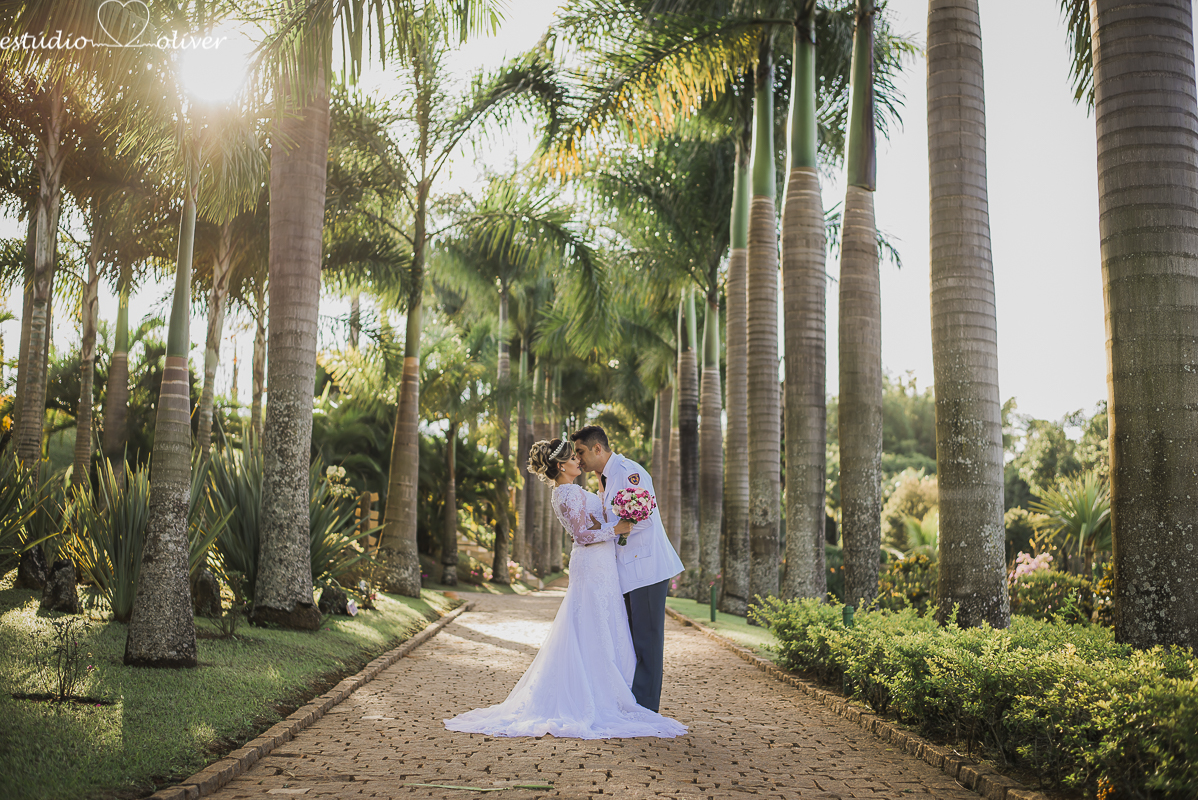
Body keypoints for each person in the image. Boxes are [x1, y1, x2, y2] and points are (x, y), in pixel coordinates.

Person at [443, 438, 686, 739]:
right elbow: (582, 535)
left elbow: (588, 526)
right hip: (592, 565)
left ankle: (613, 693)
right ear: (561, 466)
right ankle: (598, 696)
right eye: (573, 458)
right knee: (594, 625)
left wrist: (616, 516)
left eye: (578, 455)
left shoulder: (574, 489)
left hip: (602, 564)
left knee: (604, 625)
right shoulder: (567, 492)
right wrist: (617, 529)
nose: (578, 461)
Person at [571, 424, 684, 713]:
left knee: (647, 643)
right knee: (632, 642)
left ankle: (646, 710)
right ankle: (633, 704)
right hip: (626, 571)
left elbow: (644, 519)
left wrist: (610, 530)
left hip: (645, 568)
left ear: (597, 448)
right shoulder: (605, 478)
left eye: (580, 452)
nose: (578, 458)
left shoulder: (628, 472)